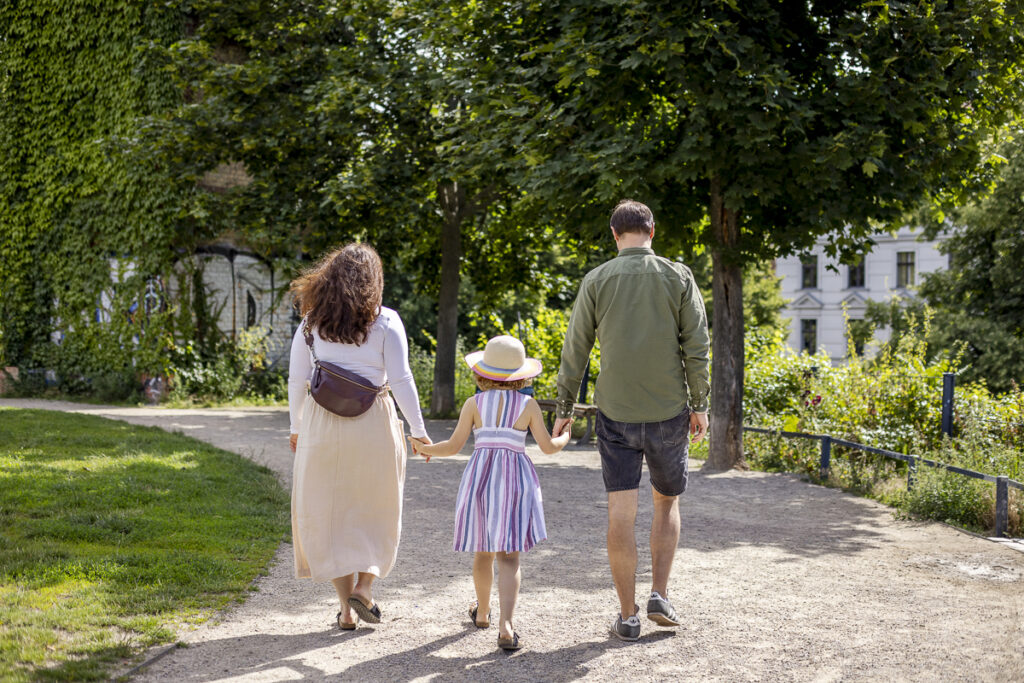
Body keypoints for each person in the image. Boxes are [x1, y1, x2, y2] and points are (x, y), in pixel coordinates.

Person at [553, 199, 710, 642]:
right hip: (668, 411)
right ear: (652, 231)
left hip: (615, 413)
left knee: (621, 513)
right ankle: (660, 592)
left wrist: (564, 411)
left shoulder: (597, 279)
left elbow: (575, 351)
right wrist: (699, 404)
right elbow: (697, 346)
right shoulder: (679, 276)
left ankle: (627, 615)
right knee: (666, 503)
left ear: (614, 234)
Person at [287, 243, 431, 631]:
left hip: (320, 424)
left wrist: (296, 427)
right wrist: (418, 432)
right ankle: (365, 588)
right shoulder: (386, 322)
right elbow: (401, 380)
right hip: (374, 424)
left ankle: (346, 611)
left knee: (333, 515)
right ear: (374, 282)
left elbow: (297, 380)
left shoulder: (310, 323)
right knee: (377, 507)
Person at [410, 335, 570, 651]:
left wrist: (425, 448)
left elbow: (454, 446)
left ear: (481, 374)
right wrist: (563, 437)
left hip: (481, 481)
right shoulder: (528, 405)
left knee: (483, 551)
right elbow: (548, 448)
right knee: (509, 557)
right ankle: (506, 626)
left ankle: (482, 613)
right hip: (514, 483)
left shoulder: (474, 404)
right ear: (522, 376)